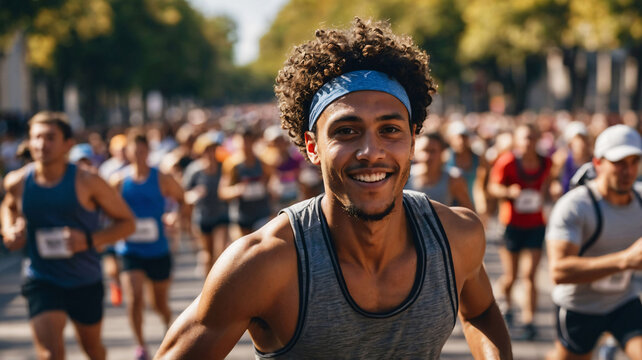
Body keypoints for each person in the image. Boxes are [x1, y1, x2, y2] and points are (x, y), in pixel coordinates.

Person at [155, 18, 511, 359]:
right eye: (346, 131)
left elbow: (481, 313)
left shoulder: (456, 236)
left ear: (413, 140)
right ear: (312, 147)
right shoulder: (262, 265)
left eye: (390, 130)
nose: (371, 152)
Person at [1, 111, 136, 360]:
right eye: (37, 137)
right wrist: (9, 229)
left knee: (93, 350)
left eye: (50, 137)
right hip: (41, 277)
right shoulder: (17, 181)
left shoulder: (88, 181)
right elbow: (8, 206)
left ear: (67, 144)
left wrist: (88, 240)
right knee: (50, 355)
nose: (42, 144)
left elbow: (127, 223)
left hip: (84, 280)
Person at [546, 124, 642, 360]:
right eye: (619, 163)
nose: (628, 171)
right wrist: (625, 261)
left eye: (634, 162)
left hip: (623, 300)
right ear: (598, 163)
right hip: (579, 306)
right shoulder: (576, 206)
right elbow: (559, 271)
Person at [110, 129, 185, 360]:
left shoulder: (161, 178)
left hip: (158, 249)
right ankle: (141, 346)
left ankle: (166, 323)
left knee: (159, 303)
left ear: (148, 152)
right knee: (133, 298)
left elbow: (181, 199)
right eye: (135, 151)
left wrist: (174, 216)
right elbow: (107, 210)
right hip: (130, 249)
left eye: (143, 151)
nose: (139, 155)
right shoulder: (119, 181)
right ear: (129, 153)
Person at [488, 123, 552, 340]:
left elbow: (549, 184)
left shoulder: (546, 162)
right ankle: (505, 303)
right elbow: (492, 187)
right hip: (511, 225)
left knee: (530, 276)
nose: (528, 142)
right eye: (525, 138)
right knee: (511, 276)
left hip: (536, 224)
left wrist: (550, 192)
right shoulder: (507, 162)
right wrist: (508, 191)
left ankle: (529, 321)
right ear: (516, 140)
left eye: (532, 138)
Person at [183, 131, 230, 277]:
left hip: (221, 214)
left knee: (221, 252)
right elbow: (184, 194)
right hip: (203, 216)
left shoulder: (224, 167)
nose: (211, 153)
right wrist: (194, 194)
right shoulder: (194, 170)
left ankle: (221, 283)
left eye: (213, 149)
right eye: (207, 150)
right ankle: (207, 286)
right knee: (207, 255)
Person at [219, 126, 272, 237]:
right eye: (243, 141)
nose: (246, 145)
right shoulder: (232, 164)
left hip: (262, 214)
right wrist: (237, 190)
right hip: (242, 217)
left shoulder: (263, 163)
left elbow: (271, 183)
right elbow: (222, 192)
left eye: (249, 141)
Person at [409, 132, 474, 210]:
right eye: (424, 150)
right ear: (415, 152)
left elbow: (469, 211)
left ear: (442, 153)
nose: (428, 156)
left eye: (433, 151)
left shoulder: (453, 179)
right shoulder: (405, 177)